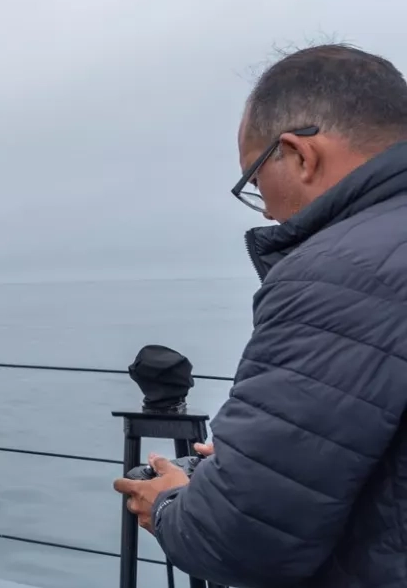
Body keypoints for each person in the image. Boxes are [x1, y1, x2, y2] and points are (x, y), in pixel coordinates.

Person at [113, 43, 407, 588]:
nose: (266, 209)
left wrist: (171, 501)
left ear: (299, 155)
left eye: (254, 179)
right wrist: (250, 459)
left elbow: (242, 540)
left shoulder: (338, 272)